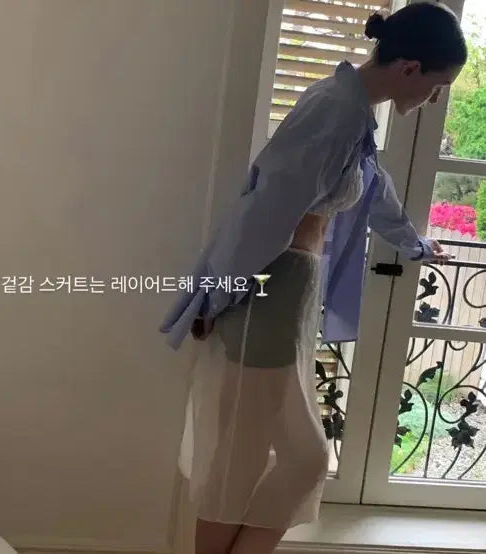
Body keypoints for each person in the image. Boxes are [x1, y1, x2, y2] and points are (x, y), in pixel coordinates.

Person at [160, 3, 467, 554]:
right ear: (410, 68)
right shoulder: (338, 111)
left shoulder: (351, 110)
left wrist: (417, 244)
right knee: (246, 459)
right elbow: (266, 211)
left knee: (288, 458)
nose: (433, 99)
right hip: (270, 293)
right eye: (437, 86)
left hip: (288, 294)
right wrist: (217, 295)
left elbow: (373, 190)